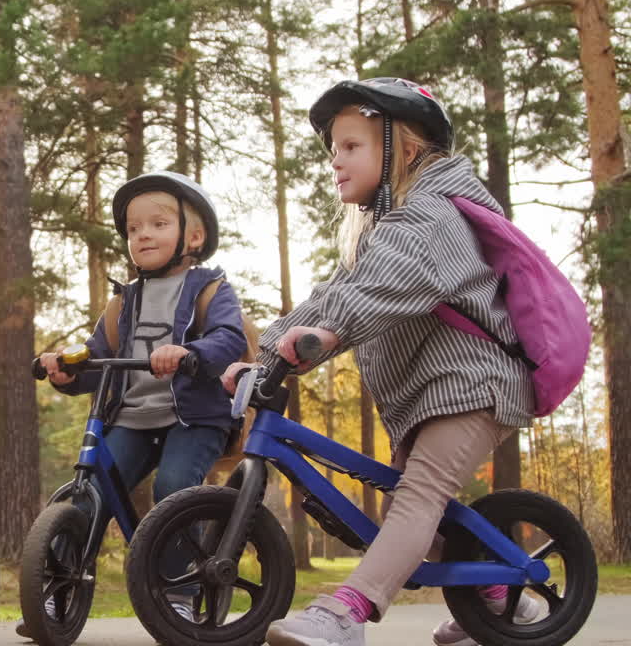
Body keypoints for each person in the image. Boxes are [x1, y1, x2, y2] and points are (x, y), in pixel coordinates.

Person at [221, 77, 544, 646]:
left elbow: (380, 286)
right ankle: (499, 603)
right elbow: (336, 289)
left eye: (351, 147)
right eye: (332, 151)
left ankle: (344, 613)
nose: (336, 162)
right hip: (429, 392)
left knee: (416, 498)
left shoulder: (433, 215)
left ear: (404, 148)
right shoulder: (384, 228)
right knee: (412, 510)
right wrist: (268, 353)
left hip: (475, 382)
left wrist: (328, 332)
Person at [22, 171, 249, 636]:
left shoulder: (210, 288)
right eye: (133, 228)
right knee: (89, 493)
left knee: (174, 489)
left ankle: (181, 593)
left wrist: (190, 354)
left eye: (159, 223)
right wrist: (66, 371)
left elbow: (229, 338)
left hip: (193, 417)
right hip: (134, 417)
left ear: (195, 235)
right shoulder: (123, 301)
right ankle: (59, 593)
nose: (143, 234)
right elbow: (98, 357)